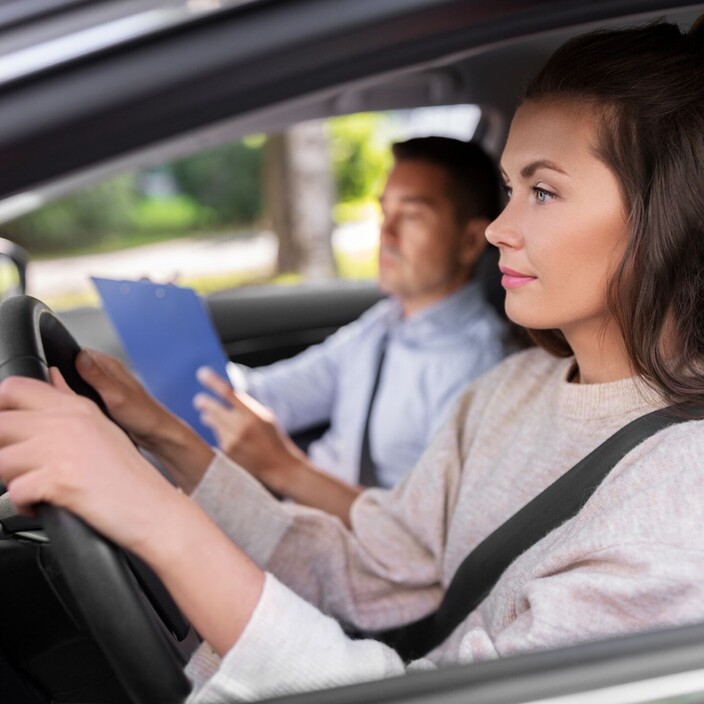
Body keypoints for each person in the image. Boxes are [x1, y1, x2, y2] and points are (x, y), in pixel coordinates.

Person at [1, 16, 704, 704]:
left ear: (668, 217)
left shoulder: (678, 503)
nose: (499, 227)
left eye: (543, 191)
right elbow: (373, 567)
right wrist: (165, 440)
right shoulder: (511, 388)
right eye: (510, 189)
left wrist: (152, 514)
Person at [197, 137, 508, 522]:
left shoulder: (480, 368)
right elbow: (269, 395)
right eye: (384, 213)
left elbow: (423, 534)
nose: (386, 234)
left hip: (354, 559)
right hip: (295, 523)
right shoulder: (382, 324)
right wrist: (182, 350)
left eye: (411, 216)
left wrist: (284, 468)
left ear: (471, 240)